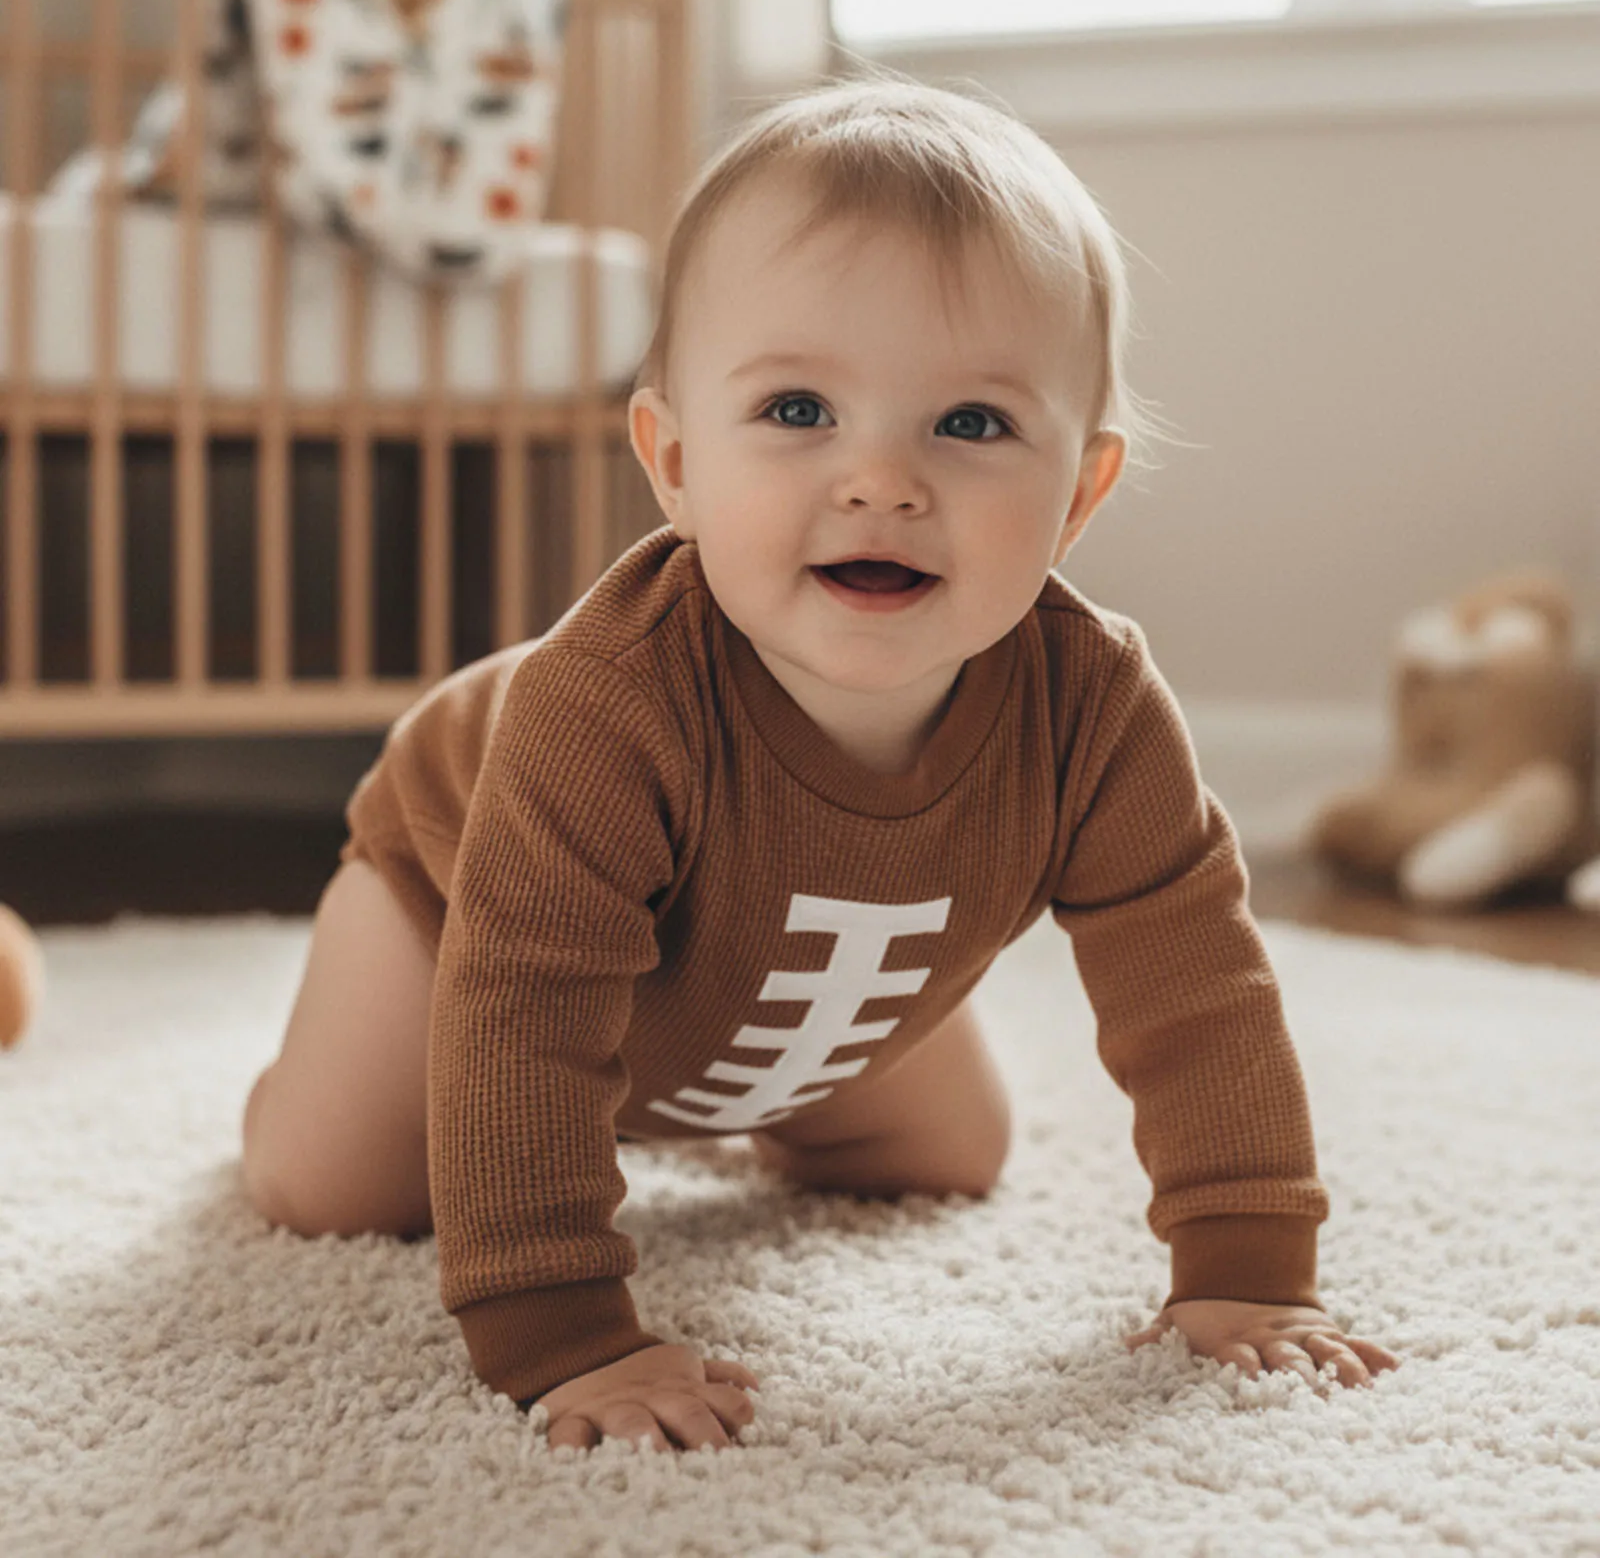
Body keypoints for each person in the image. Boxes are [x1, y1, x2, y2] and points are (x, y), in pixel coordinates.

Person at [239, 73, 1402, 1454]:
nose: (881, 481)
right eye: (798, 410)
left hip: (785, 959)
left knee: (951, 1161)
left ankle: (700, 1087)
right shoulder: (606, 707)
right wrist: (568, 1337)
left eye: (970, 425)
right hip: (460, 915)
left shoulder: (1093, 707)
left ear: (1078, 494)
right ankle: (339, 1090)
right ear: (673, 460)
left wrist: (1246, 1273)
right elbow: (523, 1012)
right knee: (331, 1182)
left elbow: (1196, 986)